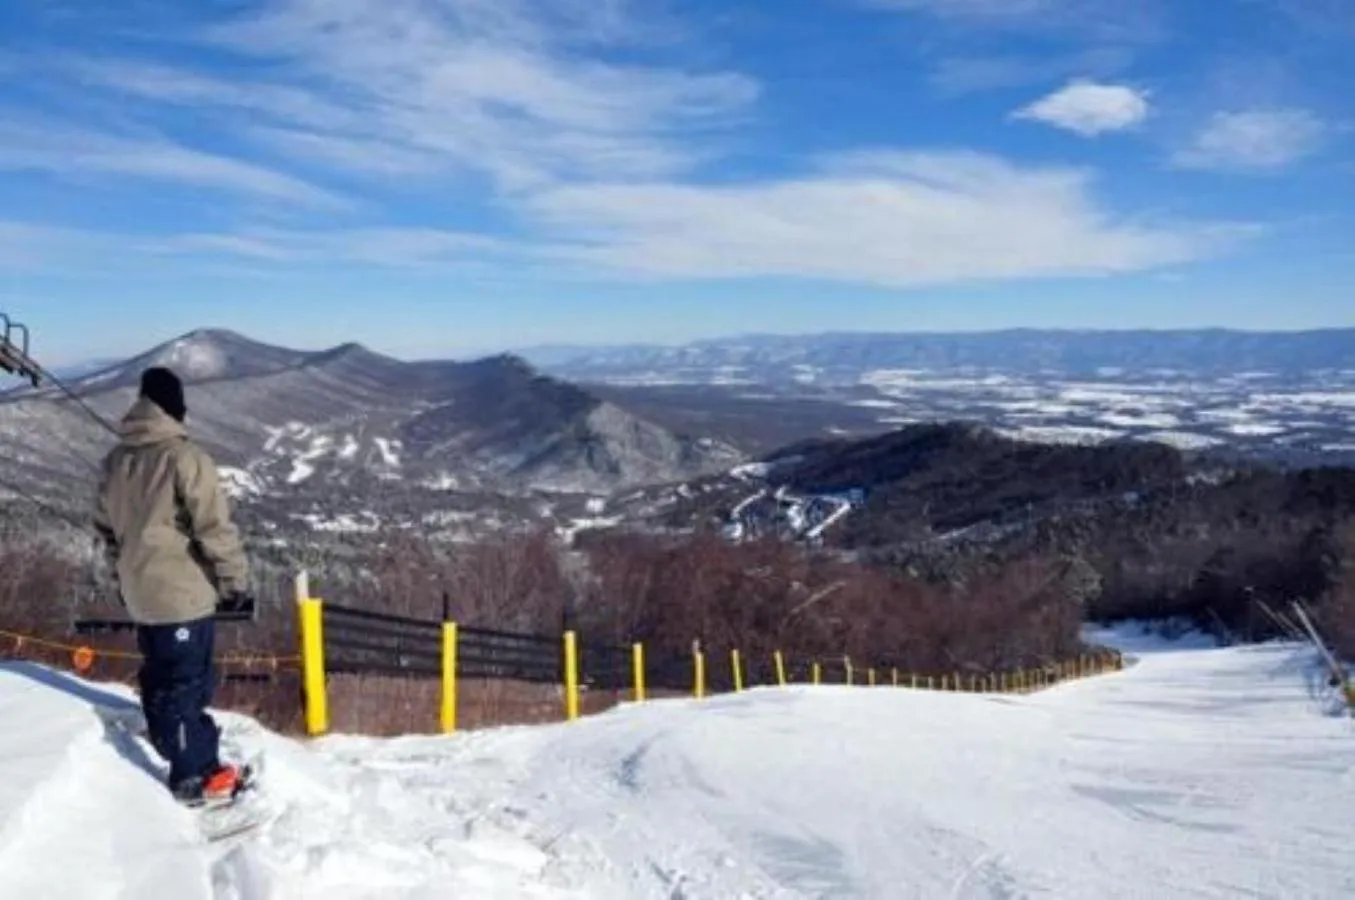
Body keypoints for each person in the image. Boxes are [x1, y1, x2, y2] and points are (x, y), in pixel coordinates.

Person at [93, 366, 254, 803]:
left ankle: (172, 743)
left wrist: (123, 577)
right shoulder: (184, 457)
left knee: (160, 675)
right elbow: (213, 527)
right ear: (174, 407)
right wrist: (234, 579)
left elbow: (107, 533)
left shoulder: (115, 460)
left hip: (141, 594)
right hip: (181, 595)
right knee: (186, 683)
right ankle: (195, 774)